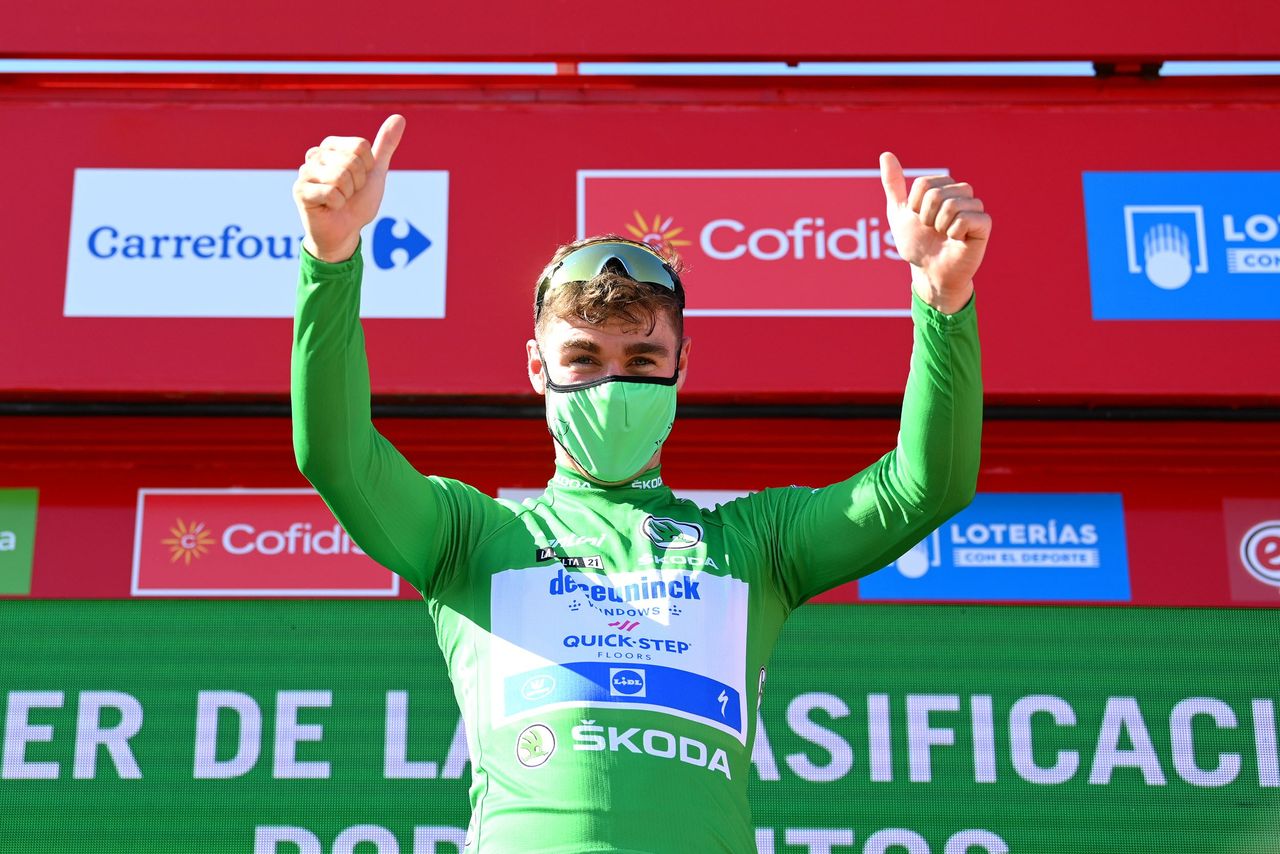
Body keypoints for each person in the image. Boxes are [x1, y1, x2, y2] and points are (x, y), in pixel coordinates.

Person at [291, 113, 987, 854]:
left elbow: (927, 486)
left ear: (683, 368)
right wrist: (330, 259)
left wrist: (942, 300)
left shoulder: (756, 547)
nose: (613, 383)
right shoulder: (473, 538)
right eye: (584, 358)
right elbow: (336, 455)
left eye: (644, 362)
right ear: (538, 369)